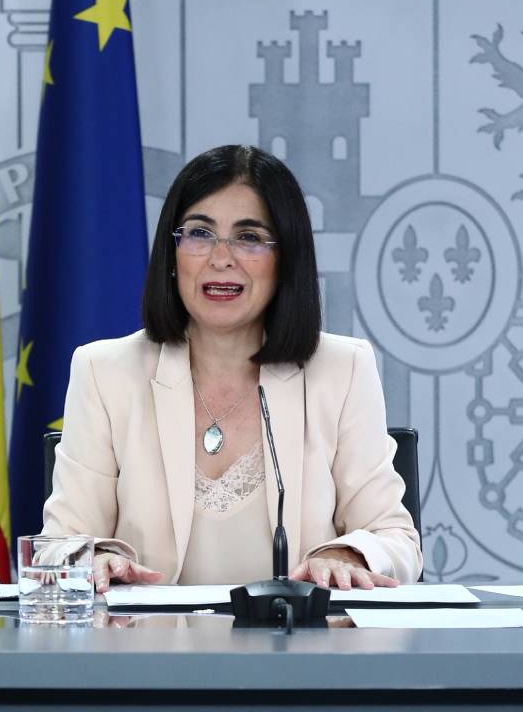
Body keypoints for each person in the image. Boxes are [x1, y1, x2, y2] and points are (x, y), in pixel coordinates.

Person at [41, 145, 422, 592]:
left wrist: (348, 553)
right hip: (144, 654)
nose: (221, 258)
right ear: (172, 254)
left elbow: (397, 541)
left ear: (285, 262)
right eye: (200, 234)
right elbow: (59, 543)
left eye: (249, 237)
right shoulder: (105, 373)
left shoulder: (341, 371)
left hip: (300, 654)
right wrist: (95, 559)